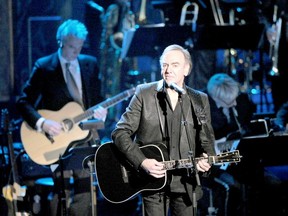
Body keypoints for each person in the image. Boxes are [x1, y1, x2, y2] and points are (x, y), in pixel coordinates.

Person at [111, 44, 216, 216]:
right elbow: (119, 133)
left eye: (175, 65)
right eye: (164, 65)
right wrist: (142, 162)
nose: (168, 70)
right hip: (153, 182)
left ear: (186, 69)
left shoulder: (199, 99)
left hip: (186, 183)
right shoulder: (144, 93)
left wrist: (206, 161)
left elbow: (207, 143)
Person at [16, 19, 107, 216]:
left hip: (85, 137)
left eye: (80, 46)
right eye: (72, 46)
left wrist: (102, 110)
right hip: (56, 139)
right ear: (60, 41)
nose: (76, 51)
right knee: (61, 190)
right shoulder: (44, 66)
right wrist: (42, 123)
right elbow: (23, 102)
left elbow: (99, 99)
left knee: (85, 190)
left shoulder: (89, 64)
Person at [203, 73, 256, 216]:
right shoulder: (201, 107)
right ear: (216, 99)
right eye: (229, 102)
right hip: (212, 162)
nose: (234, 104)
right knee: (233, 186)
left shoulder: (240, 99)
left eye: (235, 98)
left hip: (236, 156)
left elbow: (248, 122)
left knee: (256, 178)